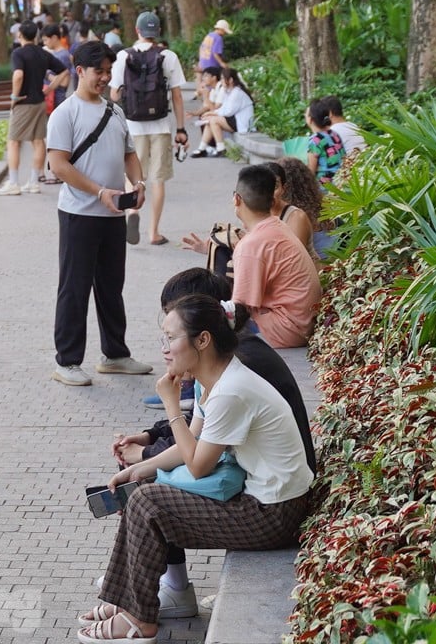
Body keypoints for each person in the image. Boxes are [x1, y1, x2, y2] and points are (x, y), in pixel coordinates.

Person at [77, 295, 313, 643]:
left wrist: (172, 404)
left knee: (148, 503)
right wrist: (140, 469)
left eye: (171, 338)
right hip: (264, 500)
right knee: (143, 492)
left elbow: (198, 465)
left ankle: (139, 621)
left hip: (274, 514)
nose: (165, 349)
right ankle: (127, 601)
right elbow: (189, 445)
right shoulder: (213, 380)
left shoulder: (230, 391)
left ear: (202, 340)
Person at [116, 268, 316, 477]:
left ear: (202, 330)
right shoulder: (219, 359)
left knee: (145, 491)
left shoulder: (239, 366)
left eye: (173, 334)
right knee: (136, 474)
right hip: (252, 467)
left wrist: (147, 452)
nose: (165, 346)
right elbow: (198, 425)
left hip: (271, 485)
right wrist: (150, 437)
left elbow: (199, 462)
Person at [46, 40, 153, 387]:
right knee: (74, 288)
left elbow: (129, 154)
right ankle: (68, 361)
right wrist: (99, 192)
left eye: (109, 72)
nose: (105, 78)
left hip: (112, 216)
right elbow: (58, 165)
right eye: (99, 72)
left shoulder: (115, 111)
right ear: (80, 71)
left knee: (111, 286)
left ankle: (116, 355)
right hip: (79, 213)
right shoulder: (65, 113)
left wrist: (138, 183)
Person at [110, 12, 190, 246]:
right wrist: (181, 129)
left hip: (133, 126)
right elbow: (176, 96)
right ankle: (154, 232)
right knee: (158, 180)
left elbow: (114, 94)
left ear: (137, 30)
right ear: (157, 33)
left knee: (132, 176)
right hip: (161, 126)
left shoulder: (123, 57)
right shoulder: (168, 56)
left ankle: (132, 213)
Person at [230, 165, 321, 348]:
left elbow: (240, 309)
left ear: (237, 199)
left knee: (199, 323)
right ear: (272, 202)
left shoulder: (251, 245)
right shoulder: (278, 226)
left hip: (287, 329)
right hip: (302, 322)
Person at [0, 21, 68, 196]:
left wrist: (14, 97)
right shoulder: (42, 53)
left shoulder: (18, 54)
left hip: (24, 103)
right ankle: (33, 182)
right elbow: (64, 71)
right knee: (38, 141)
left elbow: (18, 75)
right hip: (40, 102)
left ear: (19, 35)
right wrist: (50, 88)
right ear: (35, 35)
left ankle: (13, 183)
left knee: (13, 141)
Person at [191, 68, 254, 157]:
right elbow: (224, 108)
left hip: (242, 122)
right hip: (234, 119)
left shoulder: (237, 92)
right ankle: (202, 148)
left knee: (213, 120)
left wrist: (213, 113)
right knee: (210, 119)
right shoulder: (229, 91)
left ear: (231, 80)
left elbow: (228, 112)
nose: (221, 81)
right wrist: (212, 113)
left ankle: (220, 149)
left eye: (223, 78)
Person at [305, 98, 346, 186]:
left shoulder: (316, 140)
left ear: (311, 119)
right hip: (341, 182)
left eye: (306, 114)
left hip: (325, 187)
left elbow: (310, 172)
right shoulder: (334, 134)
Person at [195, 19, 232, 100]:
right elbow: (215, 53)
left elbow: (201, 48)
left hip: (203, 62)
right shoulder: (218, 38)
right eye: (225, 31)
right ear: (221, 29)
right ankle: (209, 101)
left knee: (205, 80)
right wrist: (222, 63)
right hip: (212, 64)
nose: (225, 33)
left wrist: (200, 61)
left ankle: (201, 94)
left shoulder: (209, 35)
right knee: (212, 82)